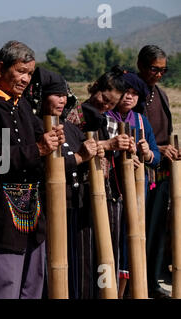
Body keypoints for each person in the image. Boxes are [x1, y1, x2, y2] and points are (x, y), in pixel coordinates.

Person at [0, 41, 65, 299]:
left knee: (33, 283)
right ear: (1, 68)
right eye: (21, 71)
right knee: (6, 283)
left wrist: (52, 141)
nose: (25, 79)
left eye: (30, 73)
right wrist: (40, 149)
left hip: (33, 211)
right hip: (2, 208)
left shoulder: (21, 103)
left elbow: (38, 139)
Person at [38, 70, 104, 298]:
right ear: (41, 97)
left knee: (78, 266)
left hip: (76, 208)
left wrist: (97, 154)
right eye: (56, 95)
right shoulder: (37, 128)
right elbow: (48, 165)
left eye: (64, 95)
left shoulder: (72, 129)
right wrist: (80, 157)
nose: (62, 100)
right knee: (54, 269)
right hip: (51, 211)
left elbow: (85, 163)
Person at [67, 67, 131, 298]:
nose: (106, 105)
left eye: (112, 104)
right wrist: (107, 145)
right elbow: (75, 152)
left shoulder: (102, 117)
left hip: (103, 192)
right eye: (105, 98)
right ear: (96, 88)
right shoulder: (77, 115)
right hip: (81, 192)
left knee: (105, 253)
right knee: (84, 254)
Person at [105, 68, 161, 298]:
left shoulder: (141, 121)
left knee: (132, 245)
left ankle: (129, 291)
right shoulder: (106, 119)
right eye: (125, 92)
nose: (129, 97)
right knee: (112, 245)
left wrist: (147, 154)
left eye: (134, 94)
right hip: (111, 193)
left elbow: (156, 158)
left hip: (137, 195)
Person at [137, 45, 180, 299]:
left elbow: (166, 132)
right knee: (138, 231)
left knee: (156, 229)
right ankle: (138, 282)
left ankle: (152, 281)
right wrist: (158, 149)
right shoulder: (133, 94)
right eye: (155, 69)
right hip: (140, 173)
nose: (159, 74)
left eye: (163, 70)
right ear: (141, 66)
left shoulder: (161, 95)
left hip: (161, 173)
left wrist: (172, 150)